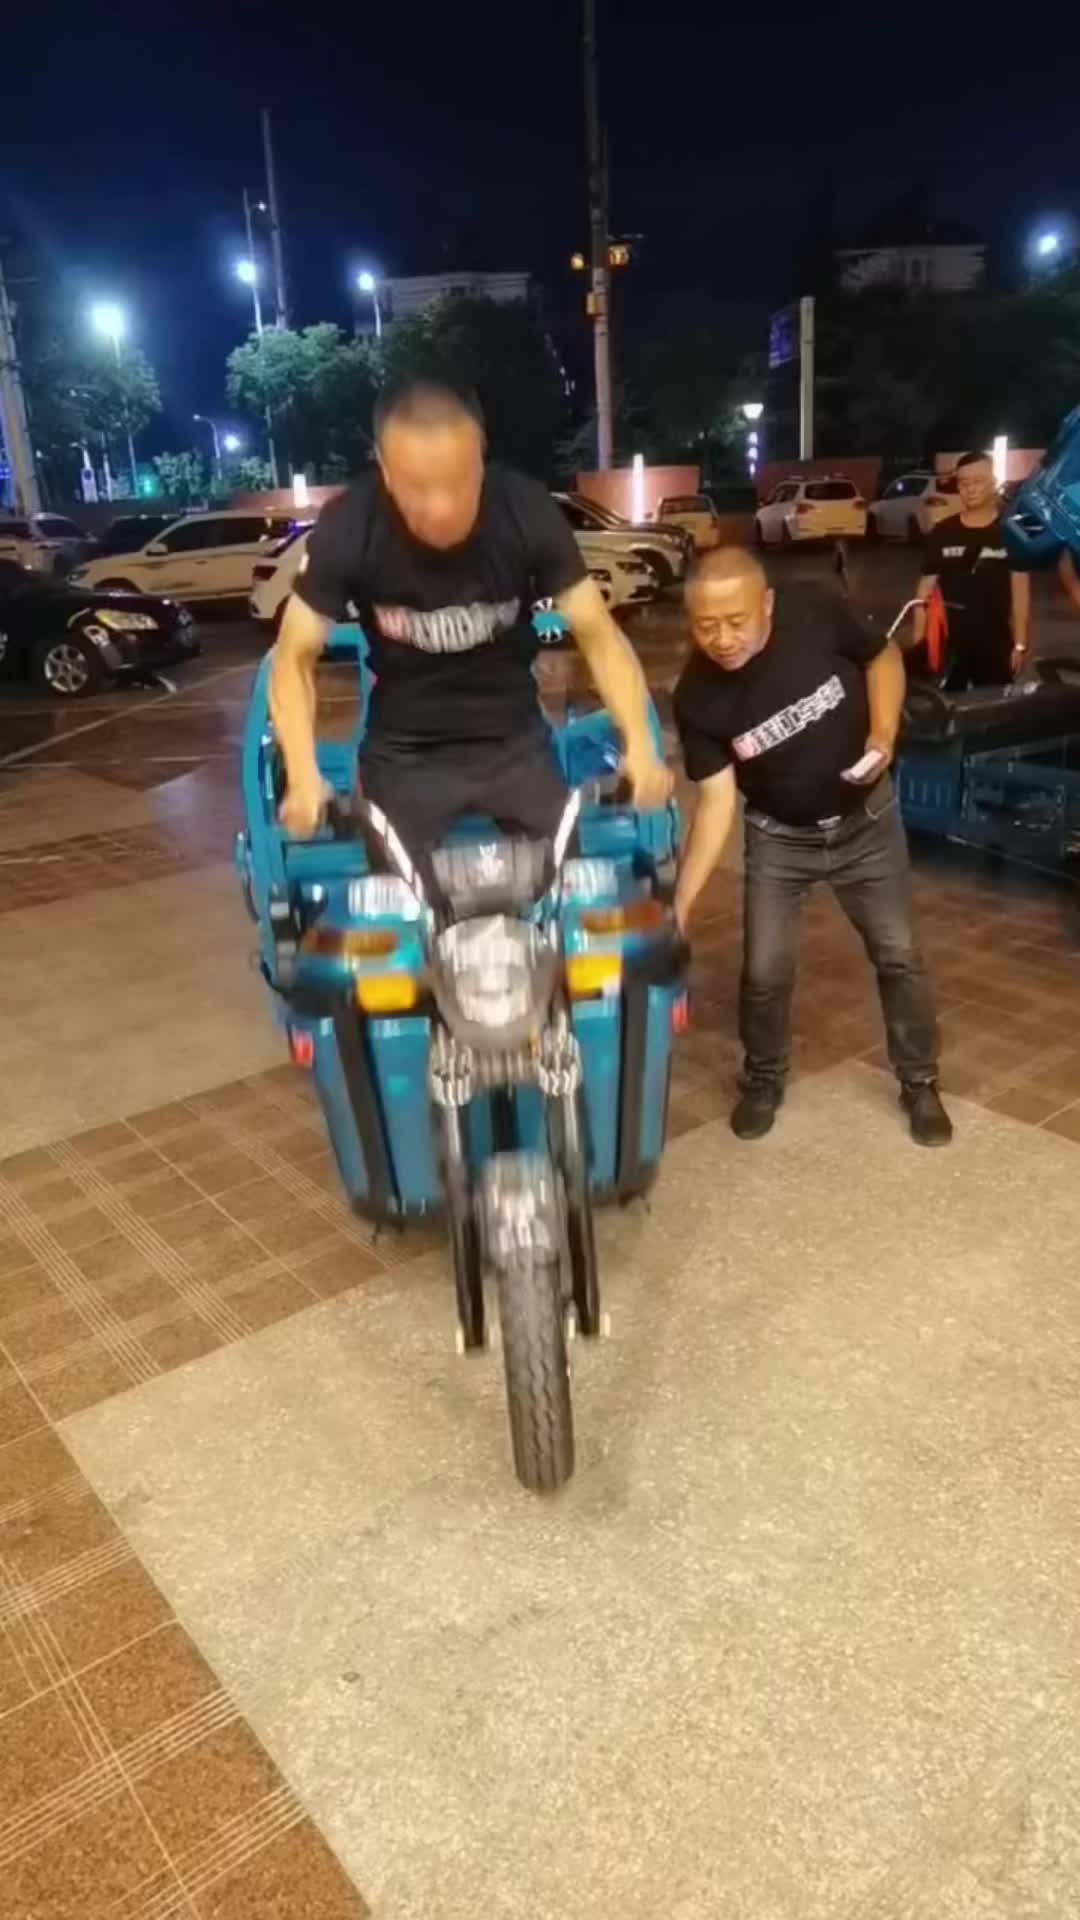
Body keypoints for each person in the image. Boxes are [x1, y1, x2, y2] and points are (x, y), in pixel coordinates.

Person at [269, 380, 671, 856]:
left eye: (458, 482)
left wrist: (640, 747)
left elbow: (599, 634)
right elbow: (293, 656)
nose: (441, 507)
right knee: (395, 895)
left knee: (564, 882)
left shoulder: (525, 508)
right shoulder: (349, 525)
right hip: (405, 755)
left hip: (514, 744)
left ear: (481, 459)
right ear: (385, 471)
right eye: (418, 488)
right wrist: (302, 774)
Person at [673, 547, 952, 1149]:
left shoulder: (816, 613)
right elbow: (716, 804)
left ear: (768, 604)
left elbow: (882, 657)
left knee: (899, 954)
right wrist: (680, 907)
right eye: (706, 625)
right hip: (779, 838)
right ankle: (763, 1080)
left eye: (736, 621)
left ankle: (920, 1082)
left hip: (866, 825)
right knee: (765, 970)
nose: (722, 639)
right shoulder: (697, 697)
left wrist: (883, 735)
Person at [913, 450, 1030, 687]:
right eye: (964, 483)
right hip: (950, 651)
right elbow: (921, 597)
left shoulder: (1012, 532)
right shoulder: (943, 532)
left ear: (993, 482)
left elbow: (1020, 593)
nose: (970, 489)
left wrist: (1020, 645)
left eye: (978, 481)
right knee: (948, 708)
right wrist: (919, 647)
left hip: (996, 648)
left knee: (994, 708)